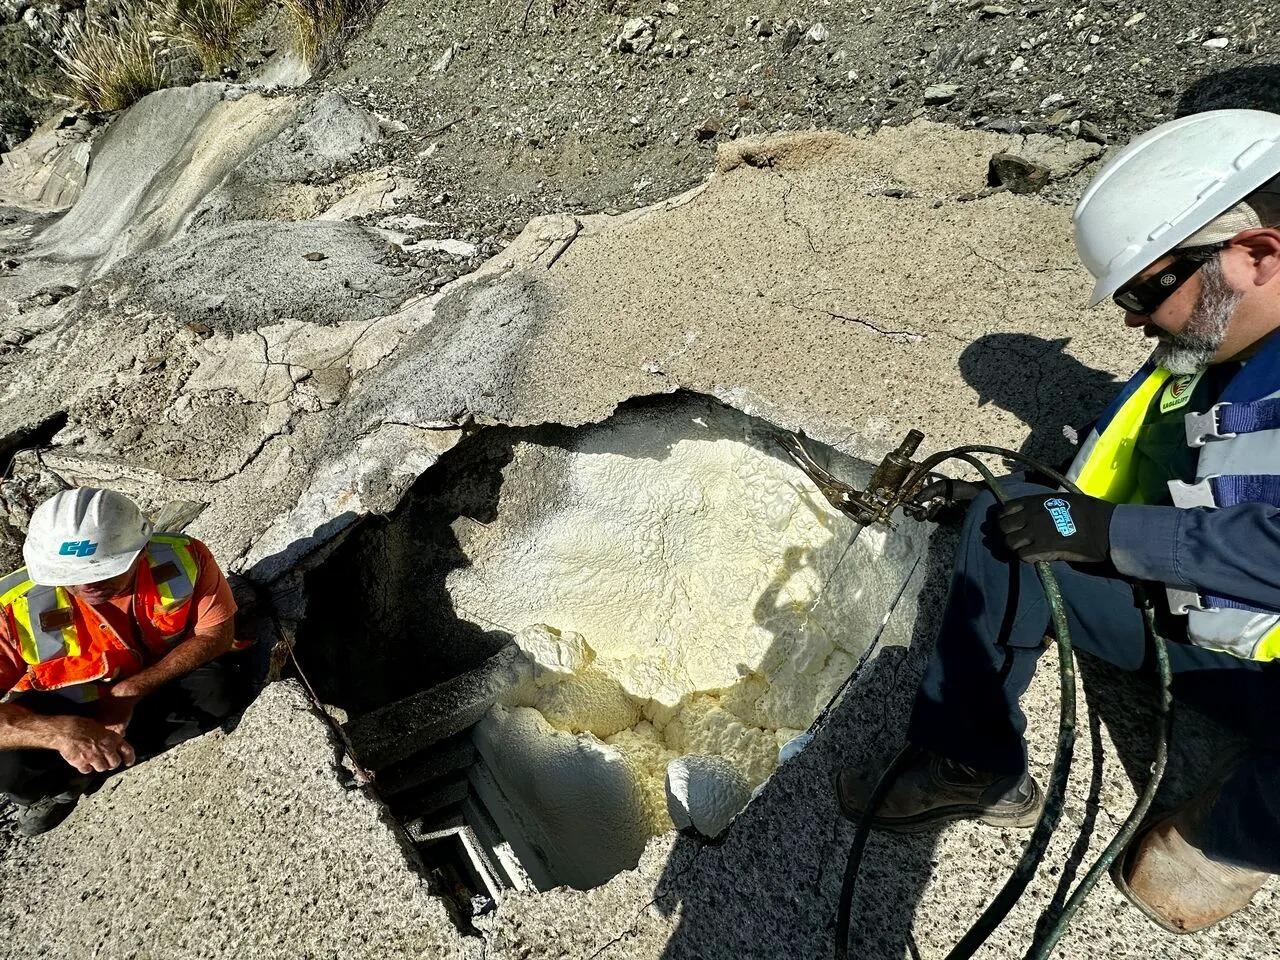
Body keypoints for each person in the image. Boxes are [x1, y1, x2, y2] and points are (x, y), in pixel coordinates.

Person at [837, 108, 1280, 934]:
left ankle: (1238, 832)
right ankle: (974, 765)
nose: (1132, 322)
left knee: (1198, 855)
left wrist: (1110, 535)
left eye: (1148, 291)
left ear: (1257, 257)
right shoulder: (1223, 348)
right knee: (1010, 520)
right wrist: (1074, 519)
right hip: (1215, 626)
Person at [0, 487, 242, 836]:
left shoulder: (184, 557)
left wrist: (129, 692)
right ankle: (61, 786)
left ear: (141, 551)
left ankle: (110, 761)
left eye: (104, 570)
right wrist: (60, 733)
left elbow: (215, 634)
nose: (88, 584)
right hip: (64, 707)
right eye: (71, 574)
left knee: (220, 688)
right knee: (8, 765)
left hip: (153, 685)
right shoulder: (10, 609)